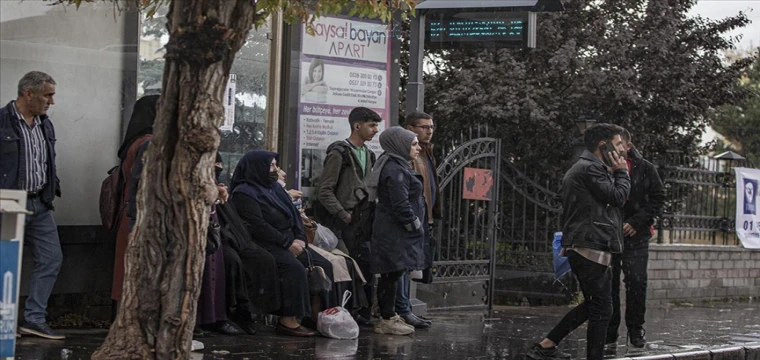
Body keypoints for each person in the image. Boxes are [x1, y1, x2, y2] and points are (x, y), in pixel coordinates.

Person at [527, 123, 630, 360]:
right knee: (602, 308)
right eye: (618, 144)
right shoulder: (589, 169)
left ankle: (546, 345)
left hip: (591, 243)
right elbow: (618, 197)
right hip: (588, 245)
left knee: (595, 304)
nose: (622, 150)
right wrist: (622, 172)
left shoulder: (591, 168)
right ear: (602, 146)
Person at [230, 150, 335, 337]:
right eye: (270, 165)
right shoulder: (244, 193)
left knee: (323, 264)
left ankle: (314, 315)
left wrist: (300, 238)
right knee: (293, 268)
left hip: (290, 240)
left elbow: (294, 216)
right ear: (258, 168)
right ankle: (288, 321)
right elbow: (257, 225)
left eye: (274, 165)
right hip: (264, 243)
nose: (275, 169)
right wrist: (287, 242)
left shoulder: (274, 188)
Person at [0, 71, 63, 340]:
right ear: (29, 93)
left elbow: (47, 161)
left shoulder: (45, 124)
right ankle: (3, 324)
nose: (52, 101)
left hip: (39, 203)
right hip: (8, 204)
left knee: (51, 259)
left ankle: (33, 319)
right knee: (4, 264)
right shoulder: (2, 122)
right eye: (48, 95)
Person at [316, 106, 381, 324]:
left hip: (364, 221)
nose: (375, 130)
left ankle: (362, 313)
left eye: (376, 126)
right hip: (344, 222)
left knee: (366, 265)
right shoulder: (339, 153)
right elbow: (324, 190)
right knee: (348, 267)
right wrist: (342, 213)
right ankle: (348, 312)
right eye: (371, 125)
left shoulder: (369, 154)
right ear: (357, 126)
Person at [605, 128, 665, 353]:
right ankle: (610, 331)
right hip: (610, 233)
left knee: (636, 281)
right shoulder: (603, 166)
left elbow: (658, 199)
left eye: (621, 144)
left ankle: (636, 329)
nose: (616, 149)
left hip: (637, 235)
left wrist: (637, 221)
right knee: (608, 283)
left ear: (629, 146)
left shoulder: (645, 168)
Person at [367, 126, 426, 336]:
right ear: (399, 145)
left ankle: (389, 315)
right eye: (413, 143)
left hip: (396, 231)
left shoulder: (398, 164)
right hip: (394, 231)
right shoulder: (395, 168)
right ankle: (387, 318)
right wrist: (414, 224)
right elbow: (400, 203)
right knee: (391, 273)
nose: (418, 147)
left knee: (393, 272)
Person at [394, 111, 442, 329]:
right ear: (410, 128)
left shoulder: (426, 152)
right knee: (402, 266)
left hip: (424, 217)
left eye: (432, 127)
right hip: (411, 219)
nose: (429, 131)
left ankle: (405, 308)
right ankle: (401, 309)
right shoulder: (406, 155)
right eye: (424, 127)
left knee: (412, 265)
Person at [112, 95, 159, 303]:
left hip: (130, 215)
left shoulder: (135, 141)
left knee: (127, 275)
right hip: (143, 217)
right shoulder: (149, 144)